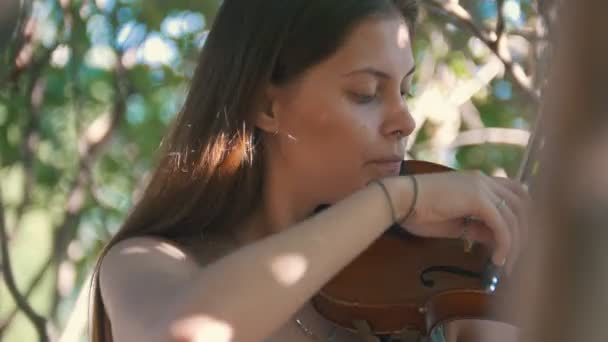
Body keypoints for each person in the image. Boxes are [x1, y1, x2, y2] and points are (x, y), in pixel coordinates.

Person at [90, 1, 529, 341]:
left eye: (405, 90)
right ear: (267, 105)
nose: (405, 121)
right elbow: (185, 333)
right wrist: (396, 199)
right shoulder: (146, 264)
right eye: (366, 93)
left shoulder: (430, 292)